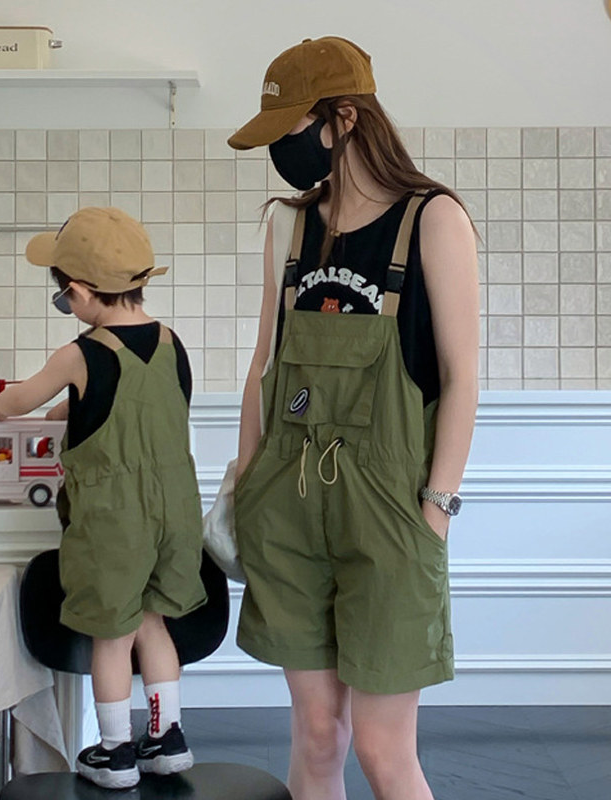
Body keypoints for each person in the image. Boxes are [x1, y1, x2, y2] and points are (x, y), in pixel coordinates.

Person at [228, 37, 479, 800]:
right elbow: (264, 367)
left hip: (391, 511)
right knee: (317, 735)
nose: (281, 150)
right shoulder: (288, 226)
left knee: (381, 748)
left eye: (291, 130)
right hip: (289, 506)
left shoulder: (432, 219)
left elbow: (462, 378)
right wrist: (247, 484)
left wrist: (435, 511)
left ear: (343, 117)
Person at [0, 207, 206, 790]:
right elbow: (139, 408)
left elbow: (22, 398)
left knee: (112, 635)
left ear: (78, 292)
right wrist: (72, 408)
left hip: (115, 519)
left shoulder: (83, 353)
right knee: (154, 623)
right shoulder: (171, 343)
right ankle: (167, 738)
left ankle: (115, 750)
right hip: (177, 512)